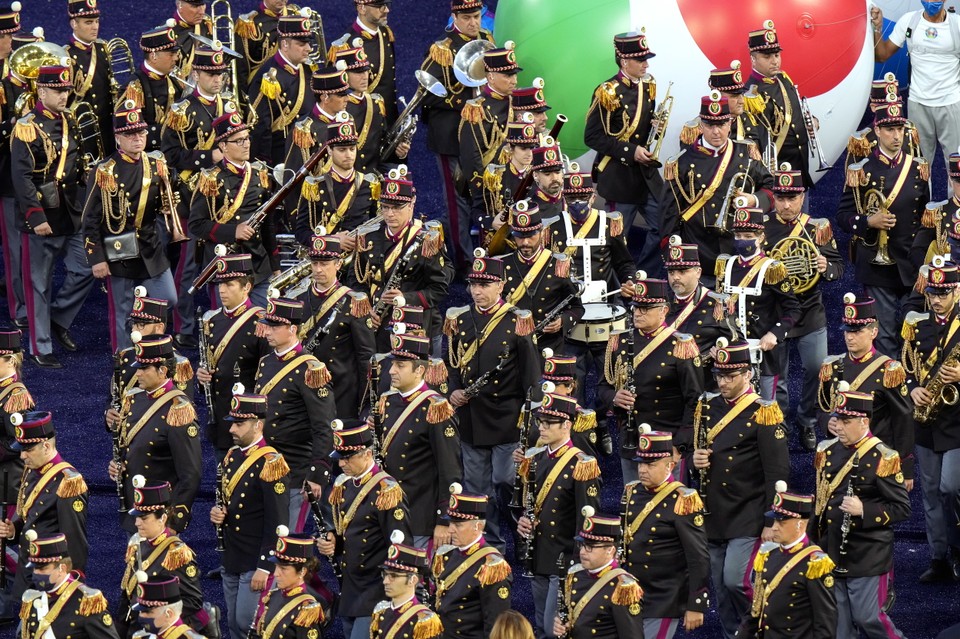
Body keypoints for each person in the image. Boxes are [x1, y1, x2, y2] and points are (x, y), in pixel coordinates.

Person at [690, 339, 789, 639]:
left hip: (748, 510)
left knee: (736, 580)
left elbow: (777, 472)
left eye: (730, 376)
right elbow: (700, 451)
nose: (722, 382)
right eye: (719, 375)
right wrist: (697, 460)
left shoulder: (764, 411)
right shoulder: (706, 406)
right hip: (714, 510)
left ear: (747, 374)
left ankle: (762, 629)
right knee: (720, 586)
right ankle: (733, 634)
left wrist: (773, 520)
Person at [444, 252, 539, 550]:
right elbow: (451, 365)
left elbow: (532, 379)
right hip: (472, 418)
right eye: (473, 284)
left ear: (500, 285)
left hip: (508, 418)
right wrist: (453, 389)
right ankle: (491, 544)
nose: (477, 291)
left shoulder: (517, 321)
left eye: (484, 285)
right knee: (477, 489)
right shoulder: (459, 319)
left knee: (506, 482)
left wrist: (530, 424)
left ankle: (521, 535)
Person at [11, 65, 95, 368]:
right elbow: (21, 178)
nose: (64, 95)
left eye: (66, 90)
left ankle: (59, 319)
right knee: (39, 284)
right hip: (42, 216)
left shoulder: (70, 120)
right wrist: (35, 216)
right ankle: (40, 345)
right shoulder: (26, 127)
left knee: (87, 268)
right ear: (42, 91)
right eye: (58, 91)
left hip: (71, 213)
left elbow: (80, 166)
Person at [811, 386, 910, 639]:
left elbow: (901, 508)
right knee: (841, 630)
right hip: (833, 550)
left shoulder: (882, 456)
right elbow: (821, 503)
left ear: (864, 421)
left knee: (868, 618)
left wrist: (864, 509)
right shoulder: (828, 451)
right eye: (838, 419)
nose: (839, 426)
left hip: (868, 553)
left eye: (846, 421)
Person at [82, 100, 177, 352]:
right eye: (130, 134)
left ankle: (153, 348)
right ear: (118, 137)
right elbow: (89, 220)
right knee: (123, 316)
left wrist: (167, 205)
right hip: (119, 250)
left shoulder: (156, 163)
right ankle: (124, 367)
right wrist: (96, 259)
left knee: (169, 298)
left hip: (149, 245)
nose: (137, 139)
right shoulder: (105, 171)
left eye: (141, 133)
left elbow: (162, 201)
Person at [836, 99, 928, 358]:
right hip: (877, 268)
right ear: (877, 131)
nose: (896, 135)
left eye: (900, 129)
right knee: (885, 335)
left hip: (910, 260)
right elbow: (842, 216)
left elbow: (925, 220)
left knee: (915, 332)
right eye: (889, 129)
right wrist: (868, 223)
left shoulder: (918, 166)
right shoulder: (862, 169)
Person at [763, 163, 842, 449]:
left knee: (816, 369)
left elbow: (839, 268)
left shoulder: (816, 227)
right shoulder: (761, 227)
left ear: (802, 196)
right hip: (775, 314)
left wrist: (826, 266)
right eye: (781, 198)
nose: (786, 205)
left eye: (792, 198)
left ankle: (807, 420)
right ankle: (782, 422)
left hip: (810, 312)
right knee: (779, 376)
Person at [160, 43, 233, 349]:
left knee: (224, 262)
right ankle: (183, 326)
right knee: (189, 266)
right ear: (196, 73)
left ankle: (225, 322)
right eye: (210, 73)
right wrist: (208, 156)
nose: (217, 79)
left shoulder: (229, 108)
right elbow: (170, 153)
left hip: (225, 197)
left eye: (221, 73)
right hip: (192, 196)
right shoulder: (182, 110)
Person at [660, 93, 774, 286]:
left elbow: (772, 186)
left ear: (730, 124)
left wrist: (753, 200)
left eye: (721, 125)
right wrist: (674, 252)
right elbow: (668, 215)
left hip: (738, 248)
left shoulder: (745, 153)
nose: (716, 132)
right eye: (710, 125)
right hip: (697, 249)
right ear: (701, 126)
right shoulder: (682, 162)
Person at [597, 275, 703, 481]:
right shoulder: (619, 341)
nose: (638, 313)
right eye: (636, 308)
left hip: (668, 442)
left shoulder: (681, 346)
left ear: (663, 311)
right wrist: (614, 398)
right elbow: (602, 387)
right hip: (632, 440)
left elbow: (695, 400)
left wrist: (680, 444)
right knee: (634, 503)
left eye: (645, 309)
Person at [515, 392, 600, 639]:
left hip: (563, 557)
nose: (541, 427)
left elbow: (587, 520)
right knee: (541, 626)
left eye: (549, 423)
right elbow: (526, 504)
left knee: (555, 631)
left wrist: (578, 561)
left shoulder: (582, 464)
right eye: (541, 422)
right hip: (538, 553)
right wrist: (522, 521)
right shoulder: (535, 459)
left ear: (566, 425)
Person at [418, 0, 495, 273]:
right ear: (455, 17)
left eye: (476, 16)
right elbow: (426, 93)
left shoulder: (486, 40)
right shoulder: (443, 49)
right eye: (467, 17)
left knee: (488, 194)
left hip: (485, 136)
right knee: (458, 201)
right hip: (451, 137)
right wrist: (462, 104)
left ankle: (491, 255)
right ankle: (464, 264)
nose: (473, 23)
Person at [316, 420, 410, 639]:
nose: (342, 464)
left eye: (348, 458)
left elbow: (400, 547)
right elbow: (348, 533)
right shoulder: (346, 486)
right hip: (350, 586)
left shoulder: (387, 491)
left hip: (376, 589)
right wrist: (334, 543)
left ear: (367, 454)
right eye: (340, 458)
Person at [210, 392, 290, 639]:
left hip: (255, 559)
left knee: (248, 624)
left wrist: (265, 566)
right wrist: (219, 512)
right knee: (233, 623)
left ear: (258, 424)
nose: (232, 429)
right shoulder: (232, 456)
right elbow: (227, 501)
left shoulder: (271, 462)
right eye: (232, 423)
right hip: (232, 554)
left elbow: (278, 522)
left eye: (239, 423)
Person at [584, 30, 664, 275]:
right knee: (618, 238)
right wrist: (630, 151)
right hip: (619, 176)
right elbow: (592, 137)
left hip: (645, 175)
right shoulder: (607, 91)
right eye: (641, 60)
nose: (646, 64)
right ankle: (620, 286)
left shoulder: (648, 86)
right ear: (624, 61)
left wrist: (656, 128)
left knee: (663, 225)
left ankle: (645, 275)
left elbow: (642, 129)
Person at [254, 296, 336, 530]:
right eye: (267, 325)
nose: (268, 331)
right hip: (266, 463)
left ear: (292, 329)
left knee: (288, 541)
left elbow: (324, 425)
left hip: (296, 469)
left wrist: (318, 471)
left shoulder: (310, 369)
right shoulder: (266, 363)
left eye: (274, 326)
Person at [817, 295, 914, 492]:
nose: (849, 337)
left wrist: (905, 465)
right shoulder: (833, 366)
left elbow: (903, 418)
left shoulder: (888, 370)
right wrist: (827, 421)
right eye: (847, 332)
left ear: (874, 332)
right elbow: (820, 407)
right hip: (839, 458)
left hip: (875, 459)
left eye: (857, 331)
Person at [901, 259, 960, 582]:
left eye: (943, 293)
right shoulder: (917, 323)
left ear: (956, 291)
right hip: (926, 419)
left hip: (957, 419)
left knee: (952, 487)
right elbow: (907, 364)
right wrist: (913, 390)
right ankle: (938, 558)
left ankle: (956, 547)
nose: (936, 299)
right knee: (932, 493)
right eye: (933, 292)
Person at [109, 334, 201, 535]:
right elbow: (129, 445)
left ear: (163, 370)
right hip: (135, 504)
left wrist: (174, 522)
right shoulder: (133, 399)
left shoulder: (179, 409)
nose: (138, 373)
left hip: (161, 516)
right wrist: (120, 464)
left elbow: (190, 474)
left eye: (144, 368)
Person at [188, 109, 279, 308]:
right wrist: (233, 231)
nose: (246, 144)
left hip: (258, 264)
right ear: (223, 146)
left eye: (247, 138)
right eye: (238, 141)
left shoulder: (259, 174)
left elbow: (267, 225)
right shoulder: (210, 179)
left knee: (264, 325)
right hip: (226, 266)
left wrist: (275, 265)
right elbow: (196, 225)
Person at [623, 428, 709, 639]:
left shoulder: (683, 499)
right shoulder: (632, 492)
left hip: (665, 597)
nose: (642, 469)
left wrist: (696, 603)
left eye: (650, 464)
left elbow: (698, 555)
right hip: (633, 594)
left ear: (670, 465)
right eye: (640, 463)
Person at [353, 169, 452, 351]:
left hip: (414, 326)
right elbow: (356, 282)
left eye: (397, 208)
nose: (390, 214)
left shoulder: (426, 241)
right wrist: (367, 309)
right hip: (375, 327)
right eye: (385, 207)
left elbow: (439, 289)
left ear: (411, 205)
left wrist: (405, 298)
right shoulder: (367, 239)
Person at [379, 330, 460, 549]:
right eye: (392, 364)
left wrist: (444, 518)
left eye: (400, 366)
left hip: (419, 515)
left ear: (420, 370)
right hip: (386, 510)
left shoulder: (436, 408)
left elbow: (450, 469)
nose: (392, 371)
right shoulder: (386, 402)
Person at [0, 411, 88, 613]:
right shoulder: (32, 470)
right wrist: (14, 529)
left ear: (46, 446)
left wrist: (69, 586)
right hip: (30, 571)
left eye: (28, 449)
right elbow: (32, 517)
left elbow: (74, 540)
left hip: (51, 579)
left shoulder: (68, 482)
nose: (22, 456)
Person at [714, 204, 801, 401]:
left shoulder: (773, 269)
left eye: (748, 236)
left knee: (765, 407)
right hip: (730, 352)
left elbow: (793, 309)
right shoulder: (726, 265)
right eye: (738, 236)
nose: (742, 241)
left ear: (761, 237)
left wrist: (775, 333)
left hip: (762, 353)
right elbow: (718, 310)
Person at [873, 1, 960, 189]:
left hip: (951, 104)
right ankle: (920, 216)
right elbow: (881, 55)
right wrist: (877, 28)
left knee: (957, 168)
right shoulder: (909, 22)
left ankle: (956, 217)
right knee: (918, 167)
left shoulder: (957, 25)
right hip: (918, 105)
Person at [117, 477, 214, 638]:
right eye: (137, 517)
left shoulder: (177, 554)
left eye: (144, 518)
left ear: (162, 518)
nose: (137, 523)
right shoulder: (137, 543)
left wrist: (157, 621)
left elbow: (193, 602)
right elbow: (128, 592)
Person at [737, 484, 837, 638]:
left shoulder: (815, 563)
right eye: (774, 521)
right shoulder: (768, 554)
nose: (774, 527)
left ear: (800, 525)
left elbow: (825, 621)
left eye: (781, 523)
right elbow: (756, 608)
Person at [195, 254, 269, 459]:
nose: (222, 290)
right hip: (221, 419)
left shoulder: (261, 323)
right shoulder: (211, 321)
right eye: (220, 284)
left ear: (246, 287)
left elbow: (268, 377)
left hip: (251, 421)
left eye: (229, 284)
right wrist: (201, 378)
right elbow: (208, 372)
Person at [295, 234, 374, 420]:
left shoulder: (354, 301)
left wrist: (365, 401)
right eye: (315, 264)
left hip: (342, 390)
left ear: (338, 264)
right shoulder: (298, 300)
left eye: (325, 264)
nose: (318, 269)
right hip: (303, 388)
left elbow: (366, 355)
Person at [459, 44, 519, 263]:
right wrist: (481, 191)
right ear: (491, 76)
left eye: (514, 75)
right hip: (489, 187)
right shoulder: (477, 109)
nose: (514, 80)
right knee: (493, 247)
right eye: (508, 75)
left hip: (516, 180)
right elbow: (470, 154)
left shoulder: (517, 103)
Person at [500, 201, 584, 355]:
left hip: (548, 346)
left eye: (531, 235)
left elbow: (577, 308)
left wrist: (562, 322)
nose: (525, 242)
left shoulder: (558, 264)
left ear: (541, 232)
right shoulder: (502, 265)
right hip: (511, 346)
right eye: (519, 236)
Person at [432, 485, 512, 639]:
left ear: (478, 526)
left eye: (458, 525)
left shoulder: (492, 566)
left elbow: (496, 623)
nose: (450, 530)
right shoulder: (446, 554)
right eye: (450, 523)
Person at [551, 509, 644, 639]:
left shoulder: (623, 587)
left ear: (610, 550)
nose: (582, 552)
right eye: (581, 545)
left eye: (590, 547)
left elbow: (632, 635)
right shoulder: (575, 574)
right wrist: (562, 625)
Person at [746, 20, 816, 192]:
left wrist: (811, 121)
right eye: (767, 56)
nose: (774, 61)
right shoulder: (750, 94)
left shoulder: (784, 79)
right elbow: (756, 142)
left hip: (800, 168)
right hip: (776, 177)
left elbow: (795, 114)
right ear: (753, 59)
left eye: (776, 55)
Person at [292, 119, 378, 247]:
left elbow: (377, 226)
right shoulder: (314, 187)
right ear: (330, 150)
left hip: (358, 260)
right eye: (342, 150)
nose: (349, 155)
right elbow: (301, 232)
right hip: (327, 260)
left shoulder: (370, 185)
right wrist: (332, 241)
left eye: (352, 149)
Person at [19, 531, 117, 638]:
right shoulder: (32, 598)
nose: (36, 573)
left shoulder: (87, 603)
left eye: (43, 569)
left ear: (62, 568)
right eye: (34, 568)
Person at [248, 15, 316, 165]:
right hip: (280, 159)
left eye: (309, 43)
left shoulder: (307, 70)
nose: (309, 49)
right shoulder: (268, 78)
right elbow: (260, 128)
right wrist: (264, 164)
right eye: (301, 44)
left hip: (306, 155)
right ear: (285, 44)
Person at [334, 41, 409, 173]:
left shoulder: (375, 103)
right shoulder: (339, 108)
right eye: (358, 73)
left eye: (366, 71)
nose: (364, 77)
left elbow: (383, 146)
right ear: (344, 75)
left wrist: (399, 151)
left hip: (373, 175)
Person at [283, 67, 351, 206]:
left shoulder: (346, 121)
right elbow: (294, 181)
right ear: (325, 97)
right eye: (340, 95)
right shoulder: (304, 130)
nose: (347, 98)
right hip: (319, 207)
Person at [662, 237, 723, 384]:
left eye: (683, 271)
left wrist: (722, 351)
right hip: (664, 383)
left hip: (701, 380)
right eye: (671, 272)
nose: (675, 277)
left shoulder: (717, 304)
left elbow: (735, 343)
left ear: (698, 272)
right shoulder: (659, 301)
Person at [0, 3, 26, 331]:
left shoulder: (19, 71)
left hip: (9, 176)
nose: (10, 41)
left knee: (15, 248)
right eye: (5, 34)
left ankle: (20, 309)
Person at [329, 0, 397, 123]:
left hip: (388, 120)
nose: (386, 10)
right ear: (361, 8)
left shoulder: (385, 33)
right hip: (363, 123)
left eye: (387, 5)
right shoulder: (344, 46)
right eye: (380, 6)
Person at [250, 530, 326, 638]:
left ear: (302, 571)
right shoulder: (273, 595)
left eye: (283, 569)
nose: (276, 574)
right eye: (276, 566)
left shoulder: (306, 609)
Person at [123, 21, 184, 153]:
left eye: (176, 53)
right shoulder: (135, 86)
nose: (176, 58)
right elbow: (130, 132)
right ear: (153, 56)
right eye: (171, 54)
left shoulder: (175, 78)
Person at [64, 0, 113, 157]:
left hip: (107, 130)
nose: (95, 27)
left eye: (97, 21)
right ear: (74, 24)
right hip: (82, 132)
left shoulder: (102, 48)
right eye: (88, 22)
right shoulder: (65, 56)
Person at [370, 533, 442, 639]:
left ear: (412, 580)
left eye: (393, 576)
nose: (385, 581)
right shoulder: (381, 611)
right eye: (385, 574)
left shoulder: (424, 620)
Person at [700, 61, 770, 161]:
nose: (742, 101)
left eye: (741, 95)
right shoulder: (699, 126)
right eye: (735, 96)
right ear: (717, 96)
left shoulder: (747, 119)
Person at [234, 0, 299, 94]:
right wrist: (244, 101)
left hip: (293, 86)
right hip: (263, 88)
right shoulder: (249, 24)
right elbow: (240, 68)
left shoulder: (296, 16)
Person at [130, 575, 204, 639]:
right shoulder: (141, 636)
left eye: (147, 612)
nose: (141, 615)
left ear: (168, 614)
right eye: (140, 611)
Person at [168, 0, 214, 78]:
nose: (202, 12)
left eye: (203, 5)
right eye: (195, 6)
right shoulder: (166, 32)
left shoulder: (206, 25)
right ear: (180, 5)